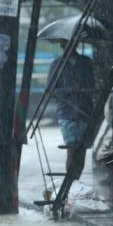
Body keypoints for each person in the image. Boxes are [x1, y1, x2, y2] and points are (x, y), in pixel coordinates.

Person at [48, 40, 94, 179]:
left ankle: (76, 179)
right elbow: (51, 91)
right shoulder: (57, 64)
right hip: (67, 112)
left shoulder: (86, 62)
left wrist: (83, 88)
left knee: (82, 149)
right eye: (65, 43)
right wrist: (70, 90)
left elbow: (92, 84)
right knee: (72, 149)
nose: (69, 46)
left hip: (84, 111)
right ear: (62, 45)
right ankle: (70, 182)